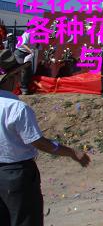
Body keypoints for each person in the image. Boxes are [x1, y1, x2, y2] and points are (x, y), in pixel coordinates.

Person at [0, 49, 90, 225]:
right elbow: (38, 142)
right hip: (17, 174)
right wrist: (71, 152)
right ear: (10, 78)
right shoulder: (16, 108)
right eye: (17, 75)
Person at [13, 26, 34, 95]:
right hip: (20, 53)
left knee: (28, 70)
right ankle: (23, 88)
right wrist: (30, 50)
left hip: (27, 54)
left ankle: (26, 86)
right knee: (24, 68)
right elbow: (23, 44)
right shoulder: (27, 34)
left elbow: (37, 46)